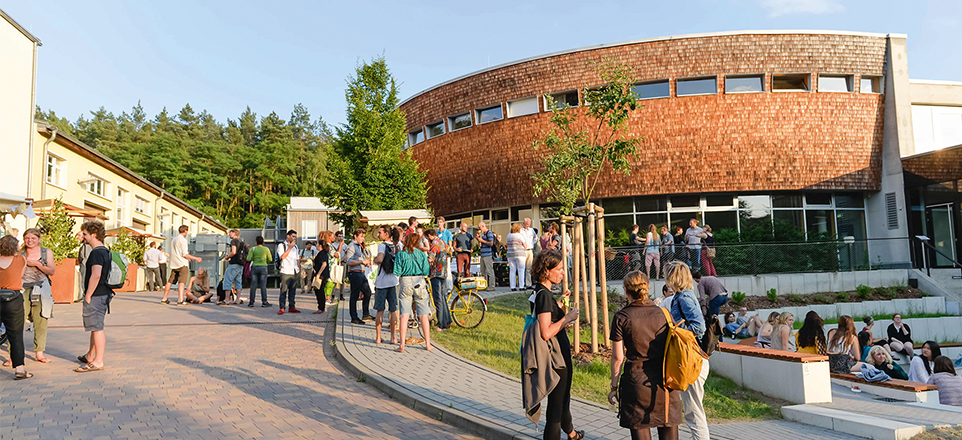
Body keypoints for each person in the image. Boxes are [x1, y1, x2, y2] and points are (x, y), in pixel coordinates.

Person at [609, 271, 681, 440]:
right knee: (669, 430)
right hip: (665, 383)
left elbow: (618, 358)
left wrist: (613, 387)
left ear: (626, 290)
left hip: (637, 384)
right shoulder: (664, 314)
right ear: (647, 288)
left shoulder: (622, 317)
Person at [530, 250, 583, 440]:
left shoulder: (542, 291)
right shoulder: (544, 295)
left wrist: (558, 305)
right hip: (556, 359)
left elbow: (546, 316)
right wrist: (567, 318)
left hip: (558, 356)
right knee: (556, 408)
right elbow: (545, 332)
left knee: (560, 403)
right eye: (559, 269)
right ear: (546, 270)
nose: (562, 273)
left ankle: (572, 434)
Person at [665, 261, 709, 440]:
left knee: (694, 412)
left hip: (692, 360)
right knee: (693, 410)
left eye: (668, 274)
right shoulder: (682, 296)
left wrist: (677, 333)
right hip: (691, 358)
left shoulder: (684, 297)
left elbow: (699, 327)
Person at [76, 221, 113, 373]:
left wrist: (88, 295)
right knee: (94, 326)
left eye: (85, 234)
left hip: (96, 294)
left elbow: (96, 275)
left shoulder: (96, 253)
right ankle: (90, 355)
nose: (83, 237)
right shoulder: (106, 251)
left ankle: (98, 361)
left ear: (93, 235)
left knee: (97, 328)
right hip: (104, 293)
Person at [21, 228, 56, 364]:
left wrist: (36, 264)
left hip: (41, 287)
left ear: (39, 239)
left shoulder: (46, 253)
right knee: (17, 321)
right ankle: (14, 354)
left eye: (33, 238)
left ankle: (39, 353)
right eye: (27, 238)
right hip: (22, 288)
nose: (30, 241)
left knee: (41, 320)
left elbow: (52, 270)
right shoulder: (19, 253)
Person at [395, 232, 433, 353]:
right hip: (419, 281)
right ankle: (428, 344)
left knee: (404, 315)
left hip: (405, 281)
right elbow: (426, 271)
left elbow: (397, 271)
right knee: (423, 315)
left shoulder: (401, 254)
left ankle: (402, 346)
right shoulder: (422, 254)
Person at [0, 235, 32, 379]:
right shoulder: (21, 259)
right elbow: (21, 275)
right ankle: (19, 369)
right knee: (16, 336)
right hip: (14, 299)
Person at [162, 225, 203, 305]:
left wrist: (187, 257)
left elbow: (177, 252)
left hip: (174, 264)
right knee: (182, 282)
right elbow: (184, 254)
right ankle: (180, 300)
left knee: (170, 281)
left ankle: (164, 298)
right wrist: (196, 258)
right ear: (185, 231)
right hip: (182, 264)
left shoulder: (174, 239)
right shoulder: (183, 240)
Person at [373, 225, 400, 344]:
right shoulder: (397, 246)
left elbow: (379, 259)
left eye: (380, 233)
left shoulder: (382, 245)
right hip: (394, 281)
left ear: (386, 234)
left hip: (381, 282)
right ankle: (393, 337)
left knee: (380, 310)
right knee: (393, 310)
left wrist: (374, 259)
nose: (378, 235)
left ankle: (378, 337)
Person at [344, 229, 374, 325]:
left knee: (367, 292)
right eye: (361, 236)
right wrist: (361, 262)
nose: (363, 238)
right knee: (355, 295)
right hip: (355, 272)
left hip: (360, 272)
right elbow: (349, 262)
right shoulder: (352, 246)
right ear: (355, 236)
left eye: (363, 236)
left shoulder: (360, 246)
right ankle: (354, 317)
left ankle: (365, 313)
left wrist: (366, 262)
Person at [426, 229, 452, 332]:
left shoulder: (435, 243)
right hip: (444, 272)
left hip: (436, 273)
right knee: (443, 297)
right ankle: (448, 320)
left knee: (438, 300)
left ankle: (441, 325)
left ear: (429, 236)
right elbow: (449, 253)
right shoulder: (443, 242)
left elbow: (430, 258)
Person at [276, 230, 301, 315]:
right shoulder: (281, 246)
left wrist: (298, 268)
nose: (294, 238)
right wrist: (289, 248)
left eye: (295, 237)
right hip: (285, 271)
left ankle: (292, 306)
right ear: (288, 236)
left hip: (294, 271)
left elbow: (297, 258)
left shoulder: (296, 247)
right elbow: (282, 257)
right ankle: (282, 307)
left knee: (293, 290)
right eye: (293, 236)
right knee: (283, 290)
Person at [246, 236, 272, 307]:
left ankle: (251, 302)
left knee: (253, 285)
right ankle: (264, 302)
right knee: (263, 285)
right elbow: (270, 259)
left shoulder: (253, 249)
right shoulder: (266, 249)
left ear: (256, 241)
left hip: (254, 267)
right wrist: (265, 262)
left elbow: (248, 259)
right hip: (263, 267)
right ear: (263, 242)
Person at [221, 229, 245, 302]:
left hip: (234, 263)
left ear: (234, 233)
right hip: (241, 264)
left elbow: (234, 252)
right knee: (238, 281)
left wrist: (228, 257)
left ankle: (227, 299)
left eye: (230, 233)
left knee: (227, 280)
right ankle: (237, 299)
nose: (229, 234)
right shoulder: (241, 242)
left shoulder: (233, 241)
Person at [312, 235, 331, 314]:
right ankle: (321, 307)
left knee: (319, 291)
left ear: (320, 246)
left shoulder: (322, 254)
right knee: (319, 290)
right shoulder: (322, 253)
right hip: (322, 274)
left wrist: (318, 274)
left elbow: (324, 264)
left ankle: (321, 307)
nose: (316, 245)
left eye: (317, 244)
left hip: (321, 275)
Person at [476, 221, 496, 291]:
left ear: (483, 226)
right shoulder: (483, 234)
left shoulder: (489, 233)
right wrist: (479, 240)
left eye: (479, 227)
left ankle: (491, 286)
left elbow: (491, 243)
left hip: (488, 255)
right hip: (483, 254)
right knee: (483, 271)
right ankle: (484, 285)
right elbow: (481, 244)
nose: (479, 229)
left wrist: (482, 240)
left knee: (489, 271)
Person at [506, 223, 527, 291]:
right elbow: (525, 245)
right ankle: (521, 286)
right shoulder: (520, 235)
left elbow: (507, 244)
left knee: (512, 270)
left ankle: (513, 286)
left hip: (510, 254)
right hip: (520, 254)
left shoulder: (508, 235)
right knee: (521, 270)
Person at [521, 218, 538, 289]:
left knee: (529, 267)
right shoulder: (520, 230)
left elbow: (535, 238)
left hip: (530, 250)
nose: (528, 225)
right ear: (524, 223)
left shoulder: (531, 230)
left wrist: (532, 244)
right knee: (522, 267)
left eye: (529, 224)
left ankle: (528, 284)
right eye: (526, 224)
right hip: (522, 250)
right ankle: (522, 284)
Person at [331, 231, 347, 301]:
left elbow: (347, 254)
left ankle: (341, 294)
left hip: (343, 262)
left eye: (342, 236)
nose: (341, 238)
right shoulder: (333, 245)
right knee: (334, 279)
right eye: (339, 236)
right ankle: (333, 294)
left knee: (342, 280)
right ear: (336, 237)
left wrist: (341, 259)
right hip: (335, 263)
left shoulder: (345, 245)